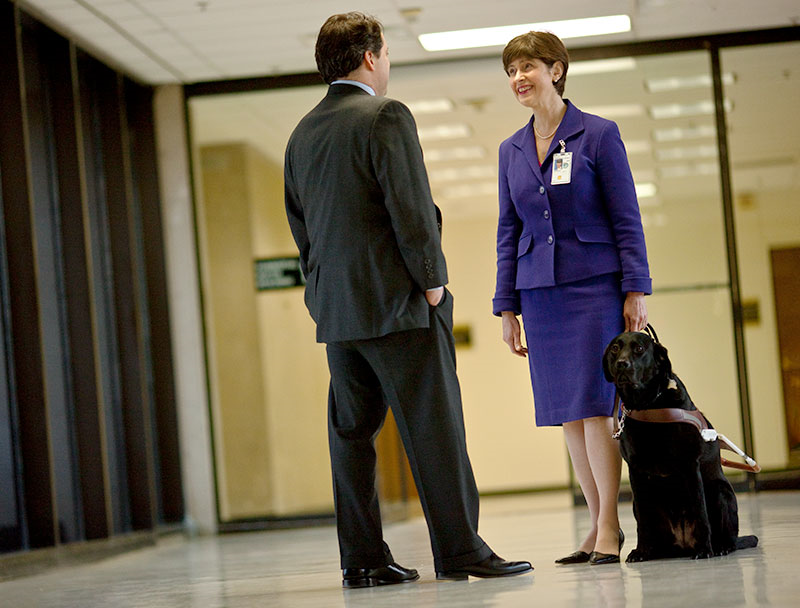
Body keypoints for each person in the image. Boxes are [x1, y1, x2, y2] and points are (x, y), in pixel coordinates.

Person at [284, 12, 532, 588]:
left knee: (351, 437)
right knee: (435, 427)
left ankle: (363, 560)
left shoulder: (301, 134)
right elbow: (411, 209)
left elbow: (303, 231)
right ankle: (460, 550)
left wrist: (322, 297)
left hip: (339, 315)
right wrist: (433, 282)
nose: (387, 63)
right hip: (399, 305)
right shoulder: (384, 115)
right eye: (387, 53)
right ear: (370, 58)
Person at [493, 31, 652, 565]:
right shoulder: (510, 150)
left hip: (594, 288)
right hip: (540, 295)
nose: (519, 77)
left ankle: (610, 526)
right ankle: (593, 525)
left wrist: (635, 289)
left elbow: (627, 219)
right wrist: (506, 305)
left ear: (556, 70)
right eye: (511, 69)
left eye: (528, 66)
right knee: (567, 412)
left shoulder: (599, 135)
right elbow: (507, 231)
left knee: (597, 408)